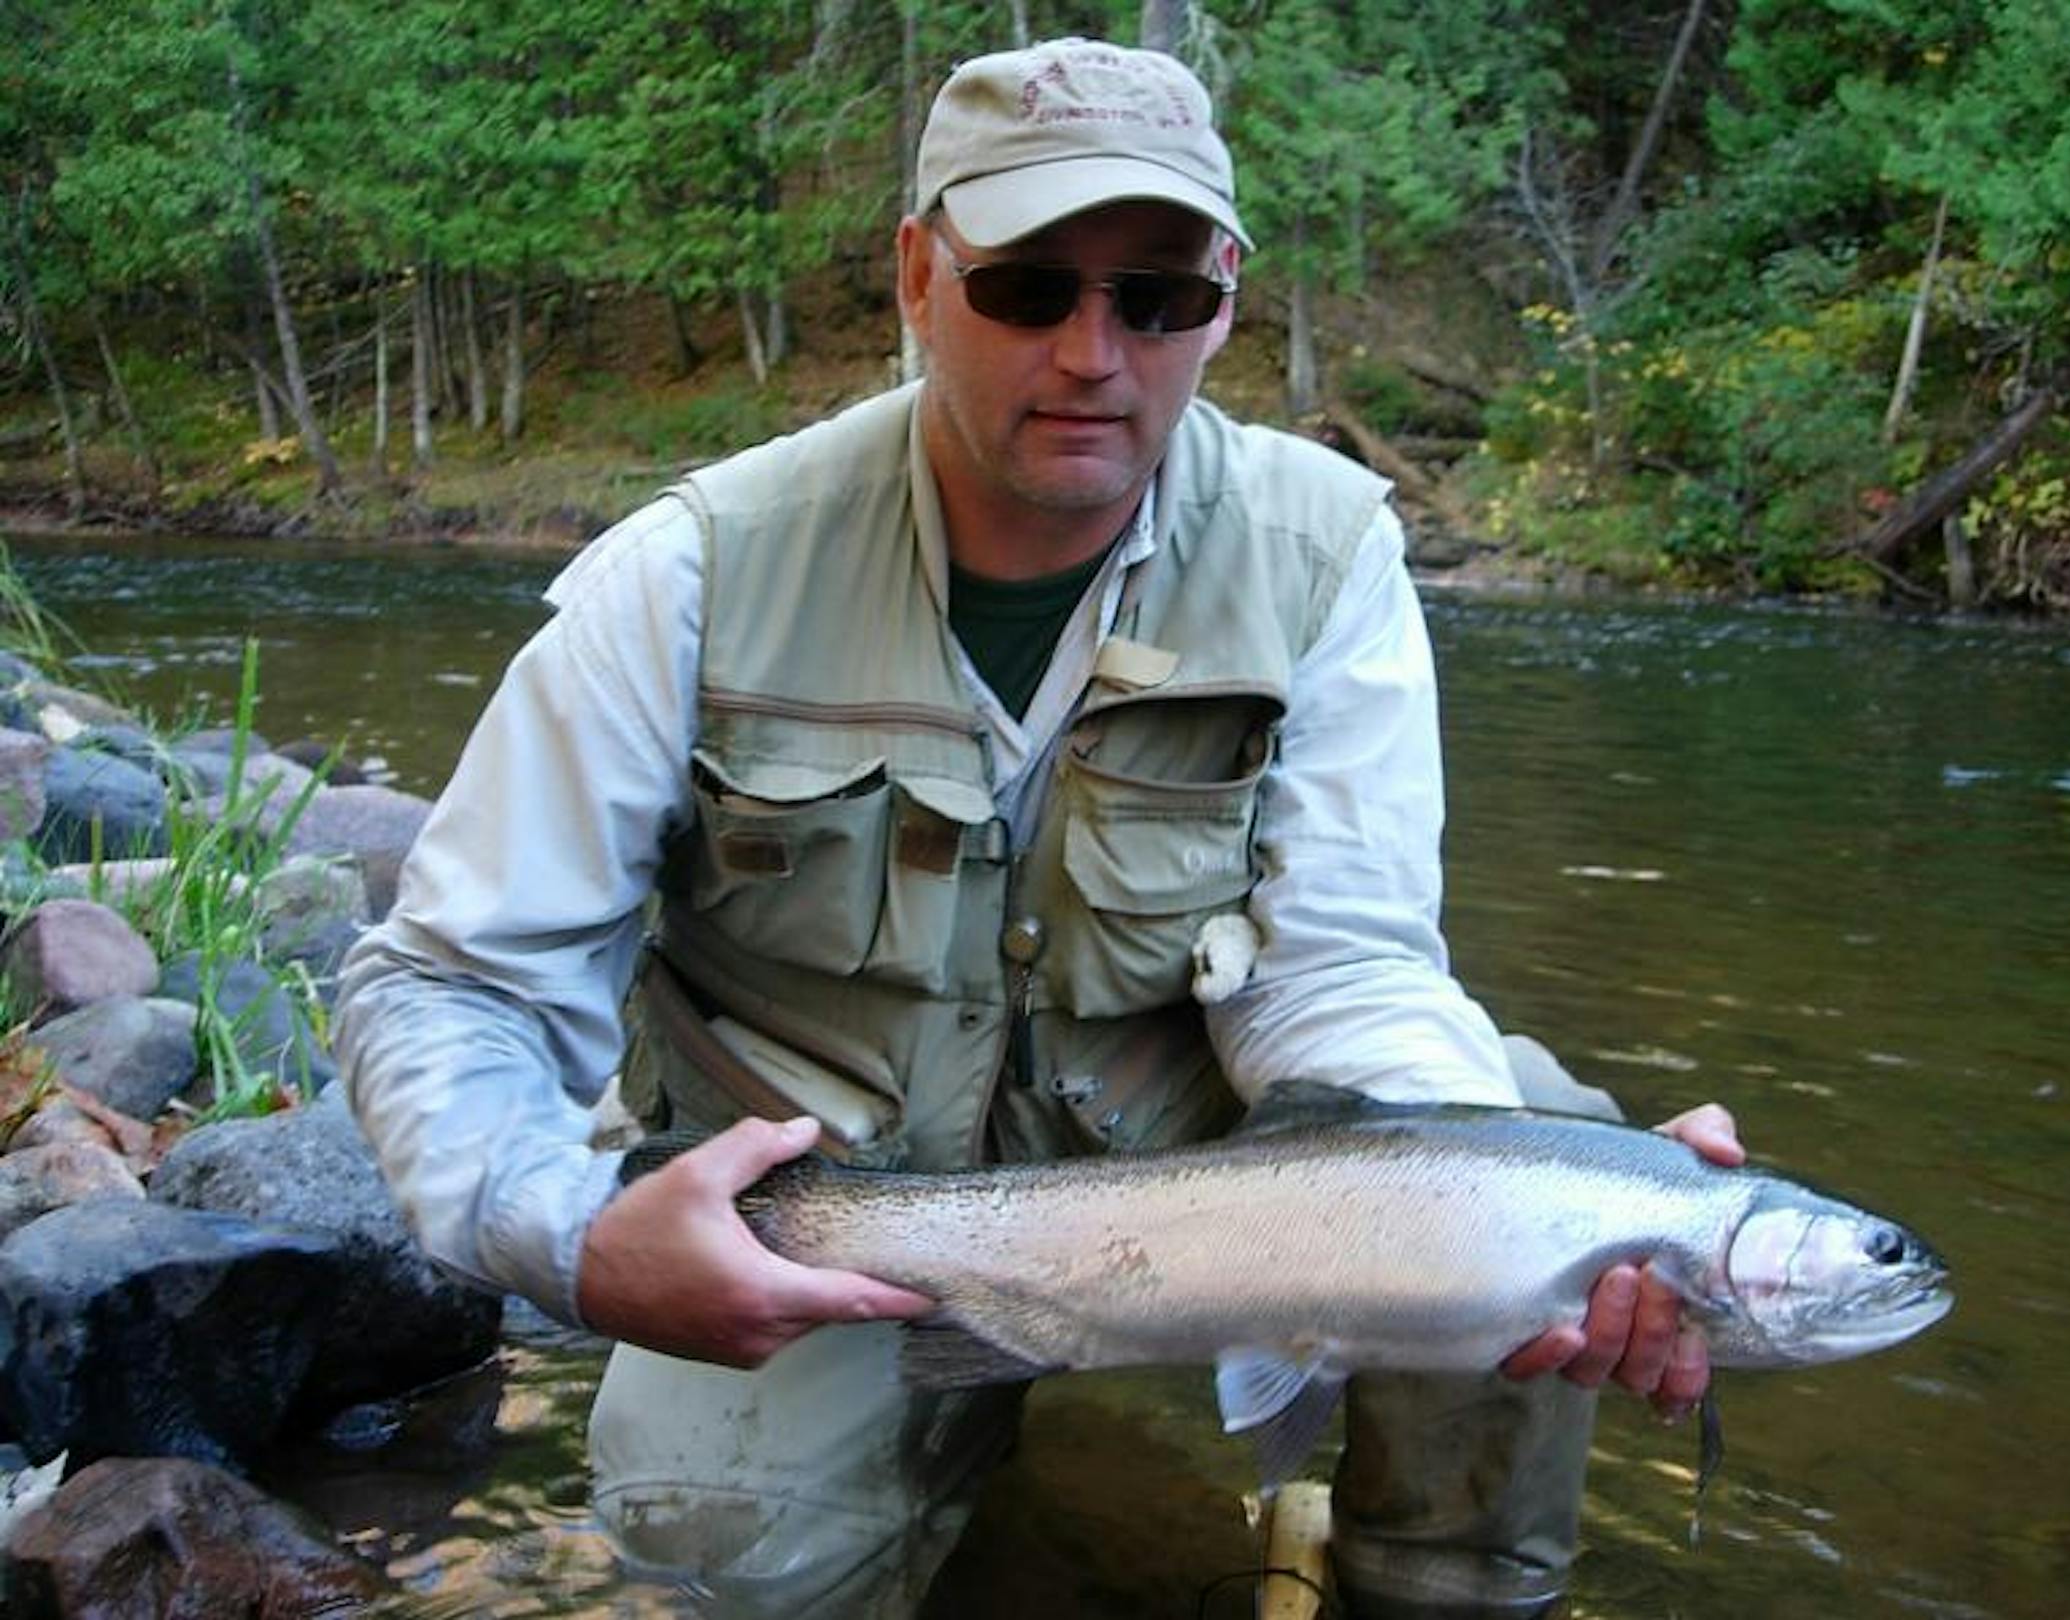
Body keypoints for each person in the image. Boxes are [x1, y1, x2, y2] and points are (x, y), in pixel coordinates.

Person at [334, 36, 1741, 1620]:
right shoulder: (694, 573)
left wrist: (1522, 1195)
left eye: (1157, 298)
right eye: (1028, 289)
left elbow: (1343, 963)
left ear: (1224, 297)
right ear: (919, 276)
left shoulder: (1326, 550)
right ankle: (929, 1455)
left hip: (1192, 1156)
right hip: (841, 1201)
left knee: (1532, 1171)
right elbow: (450, 984)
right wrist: (580, 1244)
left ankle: (1435, 1588)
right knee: (724, 1552)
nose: (1094, 353)